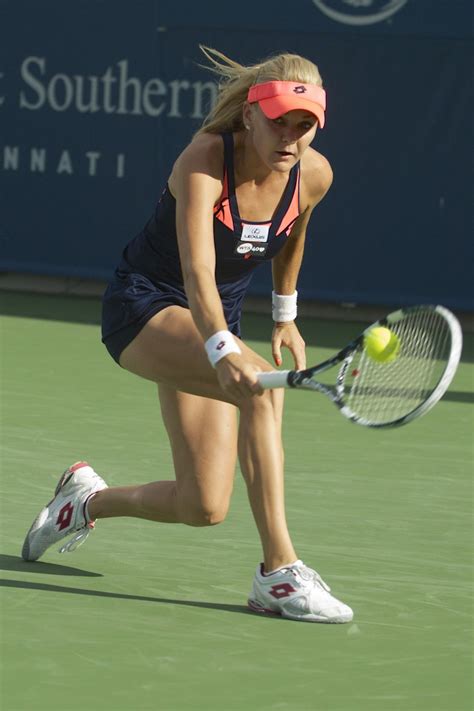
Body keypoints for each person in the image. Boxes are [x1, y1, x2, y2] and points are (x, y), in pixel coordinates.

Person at [22, 46, 353, 624]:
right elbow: (197, 270)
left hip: (212, 318)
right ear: (249, 114)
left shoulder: (313, 174)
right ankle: (278, 573)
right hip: (146, 306)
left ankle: (84, 501)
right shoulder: (203, 160)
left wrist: (285, 313)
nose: (290, 137)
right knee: (260, 390)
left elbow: (293, 232)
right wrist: (223, 347)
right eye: (279, 120)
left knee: (203, 505)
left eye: (305, 126)